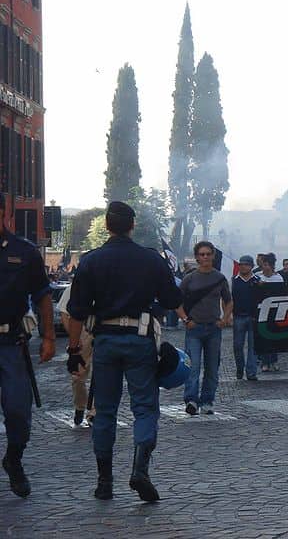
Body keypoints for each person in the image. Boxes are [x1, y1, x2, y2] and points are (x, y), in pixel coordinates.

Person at [67, 200, 182, 502]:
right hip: (139, 338)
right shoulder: (150, 259)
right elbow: (172, 299)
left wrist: (74, 348)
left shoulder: (91, 261)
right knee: (144, 408)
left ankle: (104, 481)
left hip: (105, 340)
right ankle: (140, 470)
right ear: (132, 226)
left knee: (104, 411)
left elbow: (76, 310)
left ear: (106, 225)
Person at [0, 192, 55, 498]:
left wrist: (49, 337)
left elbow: (43, 296)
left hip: (11, 343)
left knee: (19, 411)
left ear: (4, 213)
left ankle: (14, 460)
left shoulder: (24, 252)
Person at [176, 241, 233, 416]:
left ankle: (208, 401)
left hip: (213, 329)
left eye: (208, 254)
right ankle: (191, 400)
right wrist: (186, 319)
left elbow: (228, 301)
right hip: (194, 328)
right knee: (193, 367)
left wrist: (224, 318)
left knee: (212, 367)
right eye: (202, 254)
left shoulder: (219, 278)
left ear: (213, 255)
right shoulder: (189, 279)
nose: (205, 257)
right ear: (197, 257)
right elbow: (177, 302)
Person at [58, 283, 95, 427]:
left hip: (104, 329)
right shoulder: (74, 287)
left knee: (102, 373)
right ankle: (80, 405)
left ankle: (94, 413)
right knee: (77, 375)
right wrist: (75, 336)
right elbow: (64, 313)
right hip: (83, 329)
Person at [231, 255, 259, 381]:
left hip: (253, 317)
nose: (243, 266)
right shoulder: (233, 281)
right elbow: (228, 299)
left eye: (246, 264)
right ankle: (239, 368)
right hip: (238, 316)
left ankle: (251, 372)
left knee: (253, 347)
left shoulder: (257, 281)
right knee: (237, 346)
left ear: (251, 266)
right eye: (241, 264)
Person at [256, 253, 285, 372]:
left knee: (274, 337)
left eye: (268, 264)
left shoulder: (279, 278)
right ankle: (264, 362)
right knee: (263, 337)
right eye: (264, 264)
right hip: (261, 310)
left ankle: (274, 361)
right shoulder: (257, 277)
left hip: (274, 310)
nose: (266, 267)